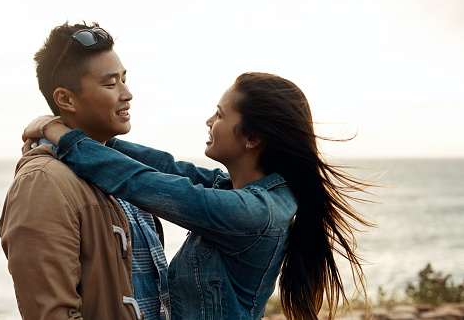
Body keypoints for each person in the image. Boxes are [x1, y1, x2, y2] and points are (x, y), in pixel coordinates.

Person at [23, 72, 375, 319]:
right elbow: (166, 167)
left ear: (252, 138)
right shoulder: (241, 191)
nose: (209, 120)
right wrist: (90, 136)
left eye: (220, 114)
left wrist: (56, 132)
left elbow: (142, 183)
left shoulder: (252, 212)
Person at [0, 22, 170, 320]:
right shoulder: (43, 182)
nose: (127, 94)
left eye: (124, 80)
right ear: (65, 99)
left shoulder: (123, 172)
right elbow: (51, 313)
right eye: (110, 84)